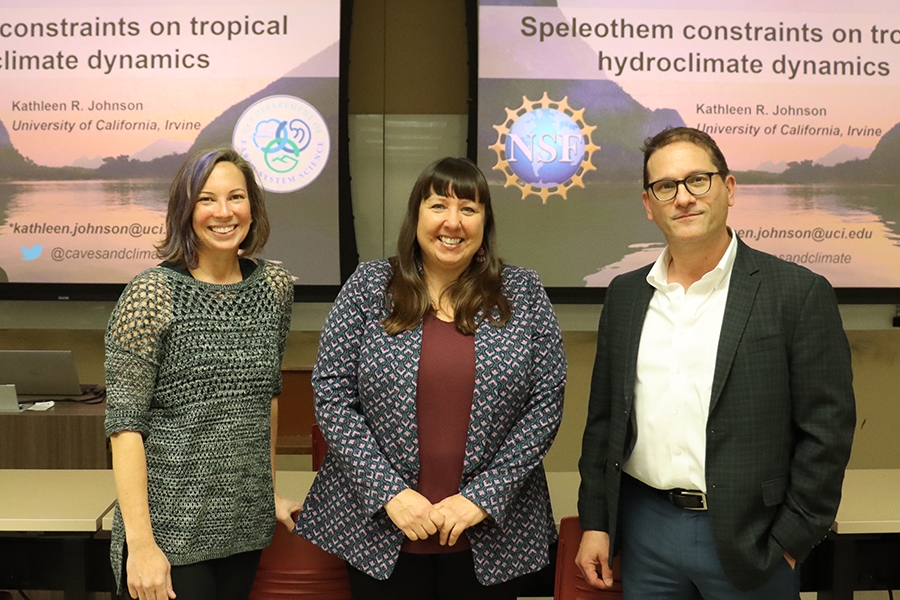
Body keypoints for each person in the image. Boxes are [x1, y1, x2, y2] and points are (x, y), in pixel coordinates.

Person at [576, 127, 856, 599]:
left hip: (752, 538)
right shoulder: (625, 296)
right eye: (665, 187)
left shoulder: (797, 293)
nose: (682, 197)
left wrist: (791, 540)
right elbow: (603, 421)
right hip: (645, 531)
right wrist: (596, 523)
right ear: (649, 205)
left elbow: (828, 430)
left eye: (697, 181)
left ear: (728, 189)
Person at [293, 157, 566, 600]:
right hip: (379, 529)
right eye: (438, 206)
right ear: (416, 216)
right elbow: (332, 394)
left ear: (485, 223)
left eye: (469, 209)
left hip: (492, 532)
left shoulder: (523, 293)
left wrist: (483, 497)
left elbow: (546, 402)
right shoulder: (369, 287)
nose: (452, 222)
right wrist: (390, 494)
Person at [104, 147, 301, 600]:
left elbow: (265, 398)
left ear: (253, 206)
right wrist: (141, 546)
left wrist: (267, 493)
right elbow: (124, 426)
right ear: (185, 209)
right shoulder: (152, 293)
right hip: (168, 535)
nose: (224, 212)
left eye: (236, 197)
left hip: (244, 526)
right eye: (206, 199)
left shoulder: (273, 287)